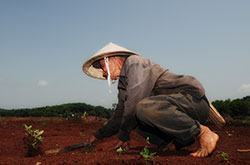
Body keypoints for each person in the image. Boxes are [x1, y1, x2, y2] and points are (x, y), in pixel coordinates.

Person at [82, 42, 219, 157]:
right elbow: (120, 114)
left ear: (111, 59)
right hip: (176, 111)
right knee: (134, 119)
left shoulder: (134, 63)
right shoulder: (124, 84)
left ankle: (203, 132)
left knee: (141, 108)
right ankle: (178, 141)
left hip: (192, 101)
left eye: (101, 66)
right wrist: (98, 135)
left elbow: (134, 102)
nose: (102, 71)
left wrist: (124, 135)